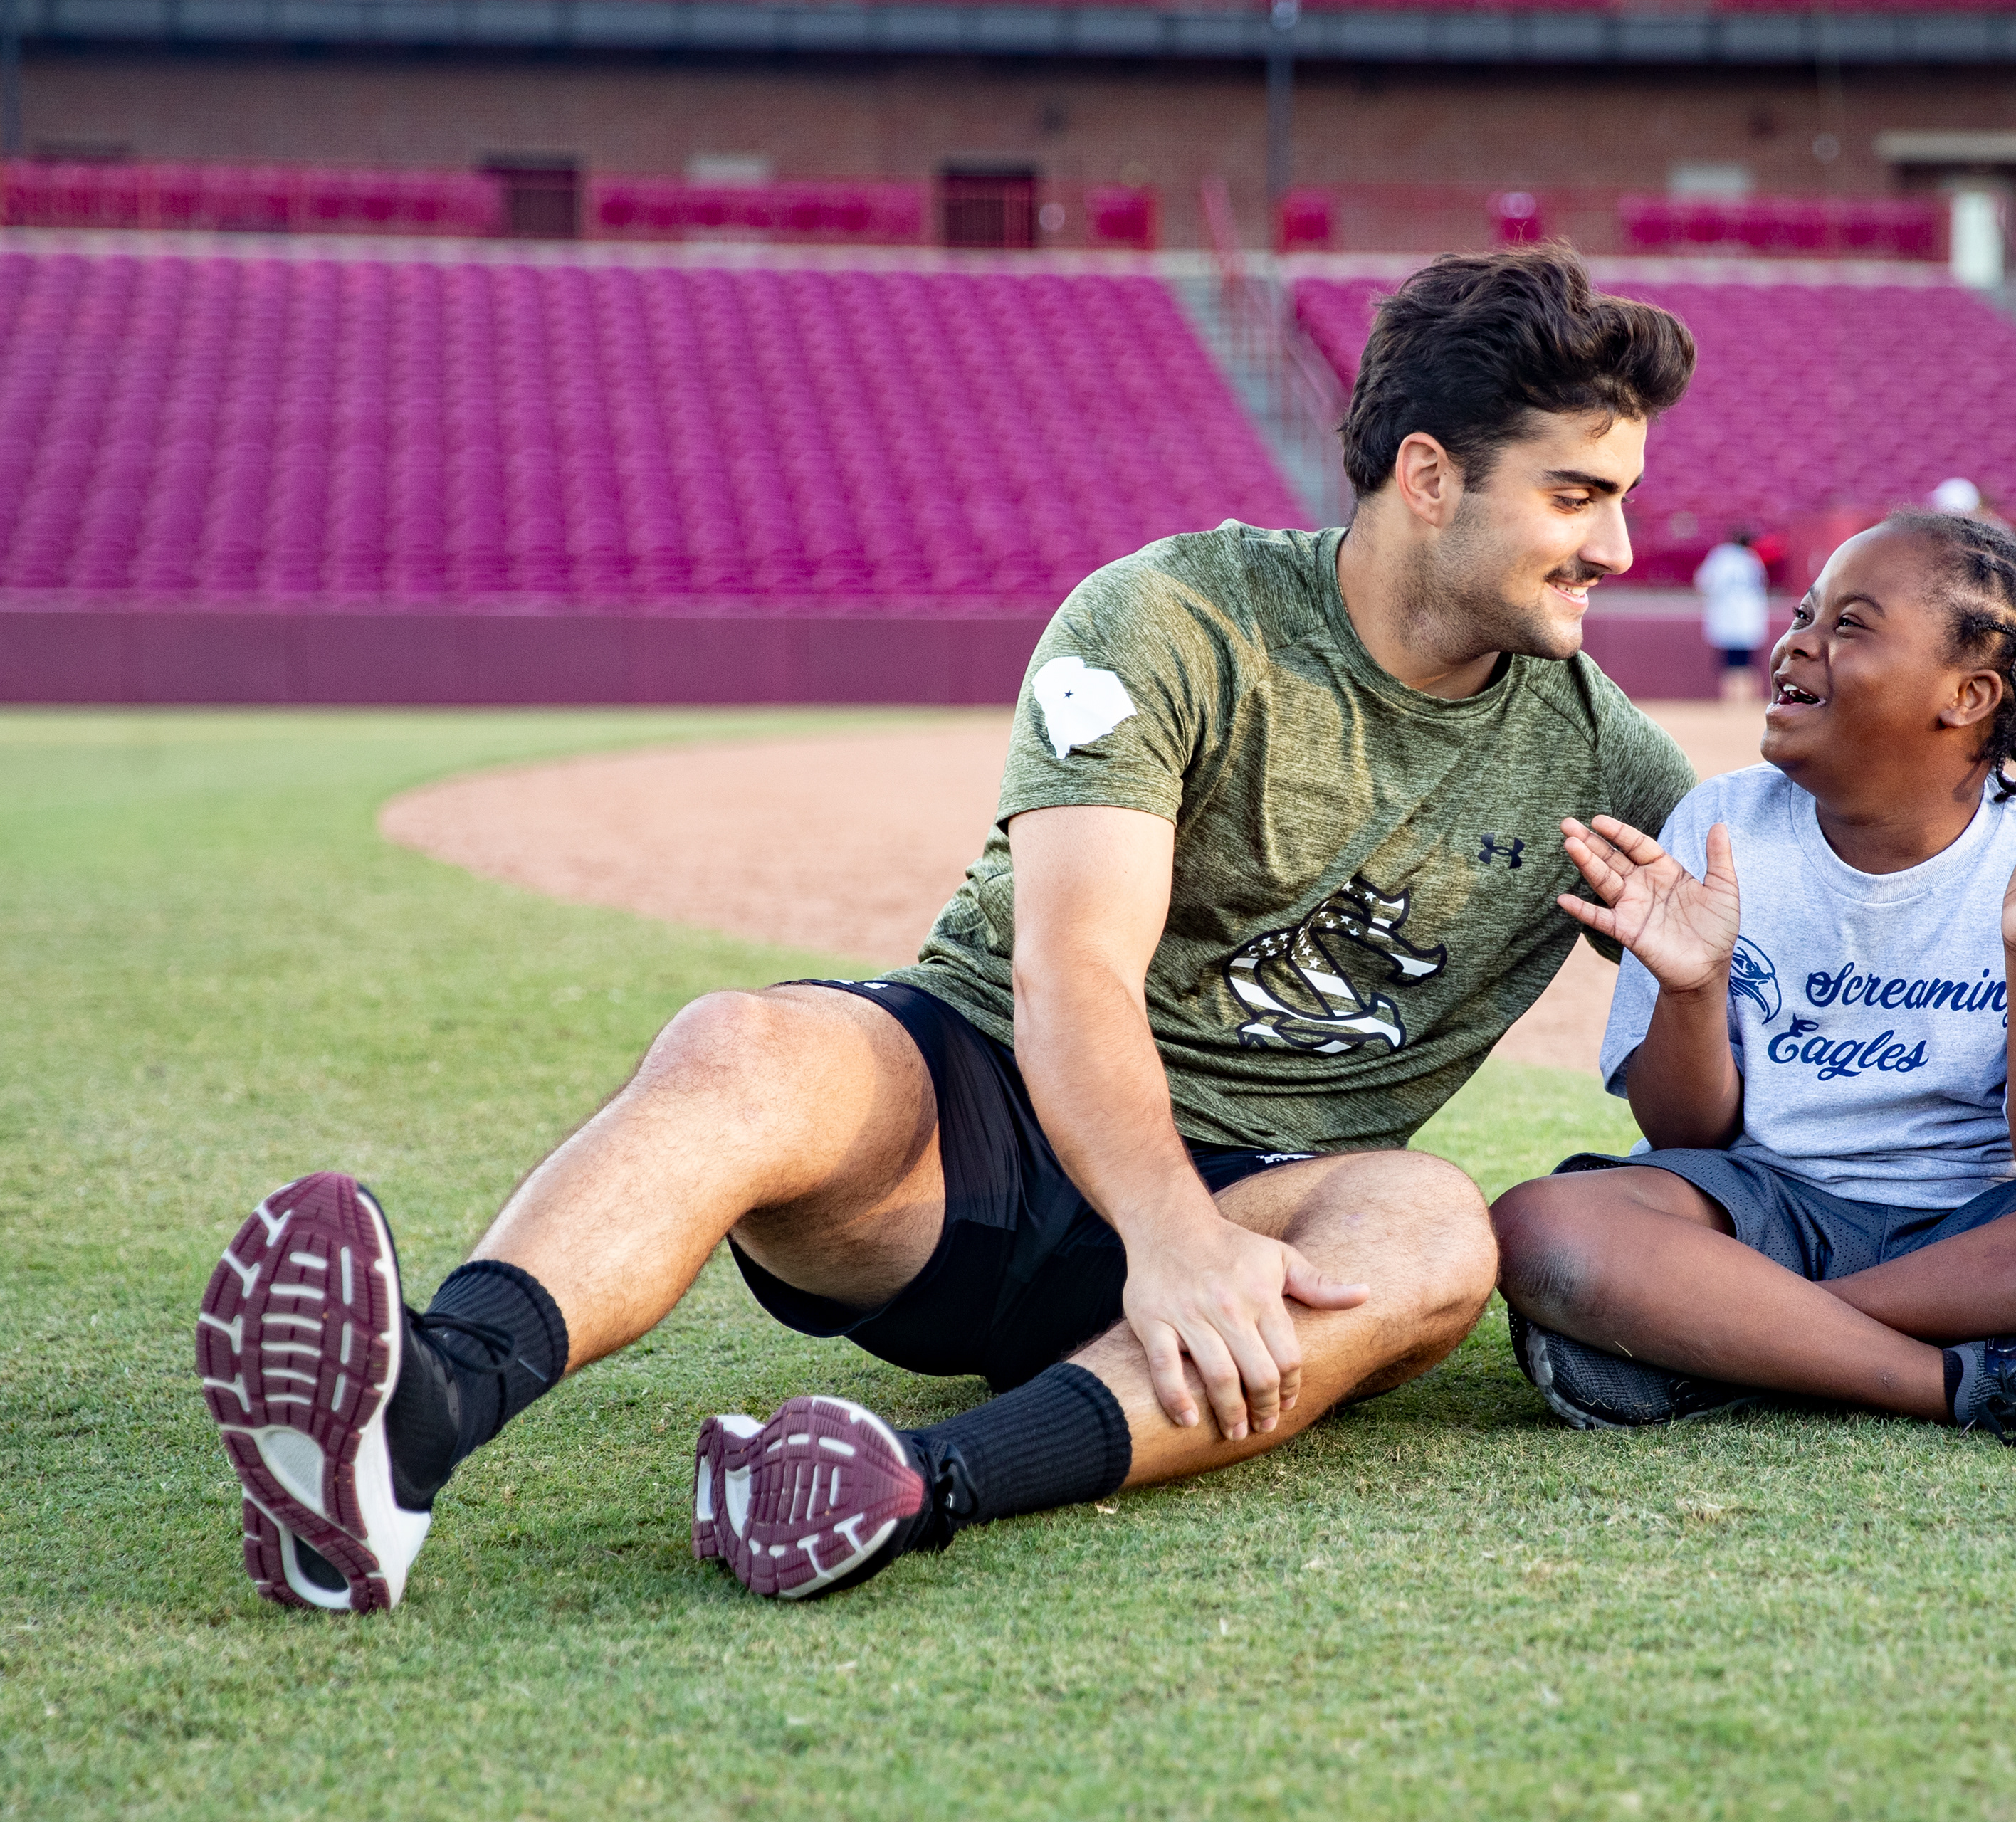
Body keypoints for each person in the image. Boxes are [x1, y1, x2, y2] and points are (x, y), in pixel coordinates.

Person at [196, 244, 1703, 1612]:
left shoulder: (1612, 767)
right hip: (980, 1126)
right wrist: (1163, 1236)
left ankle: (898, 1485)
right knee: (746, 1042)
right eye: (1578, 495)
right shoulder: (1174, 615)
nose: (1622, 546)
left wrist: (1693, 988)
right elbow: (1070, 972)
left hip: (1263, 1207)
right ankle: (416, 1420)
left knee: (1434, 1228)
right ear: (1430, 477)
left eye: (1622, 496)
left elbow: (1728, 1090)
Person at [1487, 513, 2016, 1443]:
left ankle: (1733, 1337)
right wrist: (1692, 988)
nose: (1796, 643)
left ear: (1969, 695)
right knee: (1541, 1227)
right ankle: (1963, 1381)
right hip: (1766, 1202)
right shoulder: (1723, 826)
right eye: (1806, 614)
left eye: (1848, 626)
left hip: (1985, 1235)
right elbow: (1686, 1133)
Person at [1695, 527, 1773, 709]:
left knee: (1730, 664)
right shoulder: (1753, 560)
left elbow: (1703, 583)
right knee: (1749, 664)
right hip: (1749, 618)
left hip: (1727, 618)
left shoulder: (1722, 556)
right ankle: (1749, 702)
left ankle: (1731, 704)